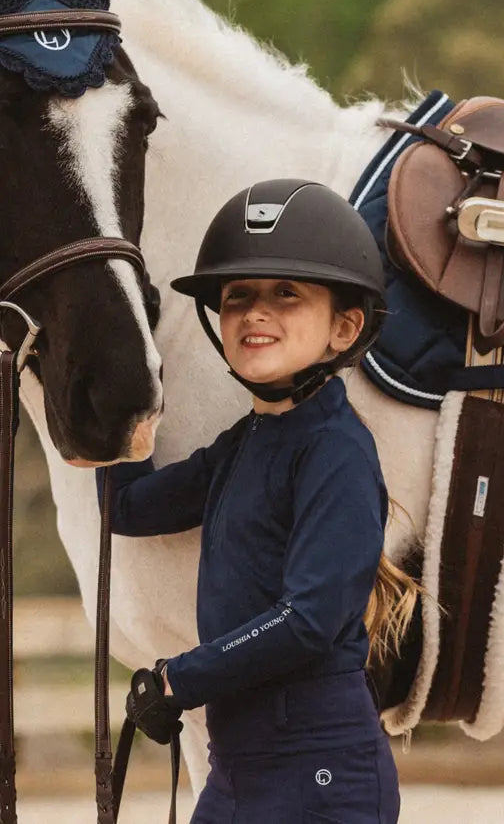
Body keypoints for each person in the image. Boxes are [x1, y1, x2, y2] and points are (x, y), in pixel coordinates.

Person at [98, 179, 414, 823]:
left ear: (344, 327)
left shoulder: (337, 452)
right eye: (238, 296)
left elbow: (308, 618)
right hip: (238, 770)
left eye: (286, 294)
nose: (254, 312)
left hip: (320, 774)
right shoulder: (244, 444)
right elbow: (128, 508)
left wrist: (178, 679)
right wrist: (117, 375)